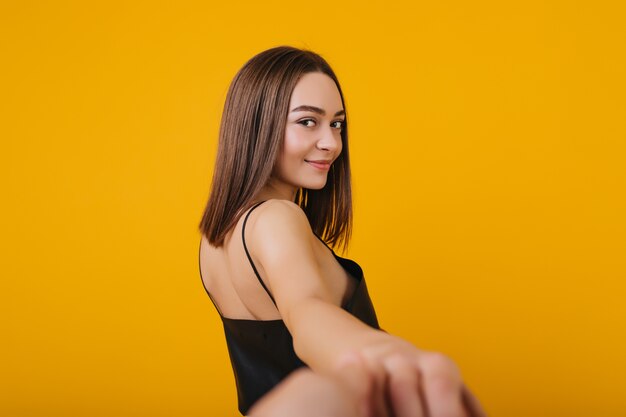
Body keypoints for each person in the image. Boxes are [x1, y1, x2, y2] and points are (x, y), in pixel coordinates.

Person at [198, 46, 486, 416]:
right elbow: (306, 310)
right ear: (257, 125)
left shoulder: (217, 235)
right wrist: (381, 355)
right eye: (307, 121)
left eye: (337, 123)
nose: (332, 143)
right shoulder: (277, 219)